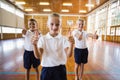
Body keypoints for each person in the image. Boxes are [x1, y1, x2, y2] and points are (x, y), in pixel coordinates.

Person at [31, 13, 74, 80]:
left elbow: (69, 55)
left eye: (57, 24)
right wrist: (35, 45)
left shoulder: (64, 39)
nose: (54, 27)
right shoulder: (43, 39)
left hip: (60, 70)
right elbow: (38, 55)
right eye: (52, 24)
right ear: (47, 24)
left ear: (60, 26)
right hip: (46, 70)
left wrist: (71, 44)